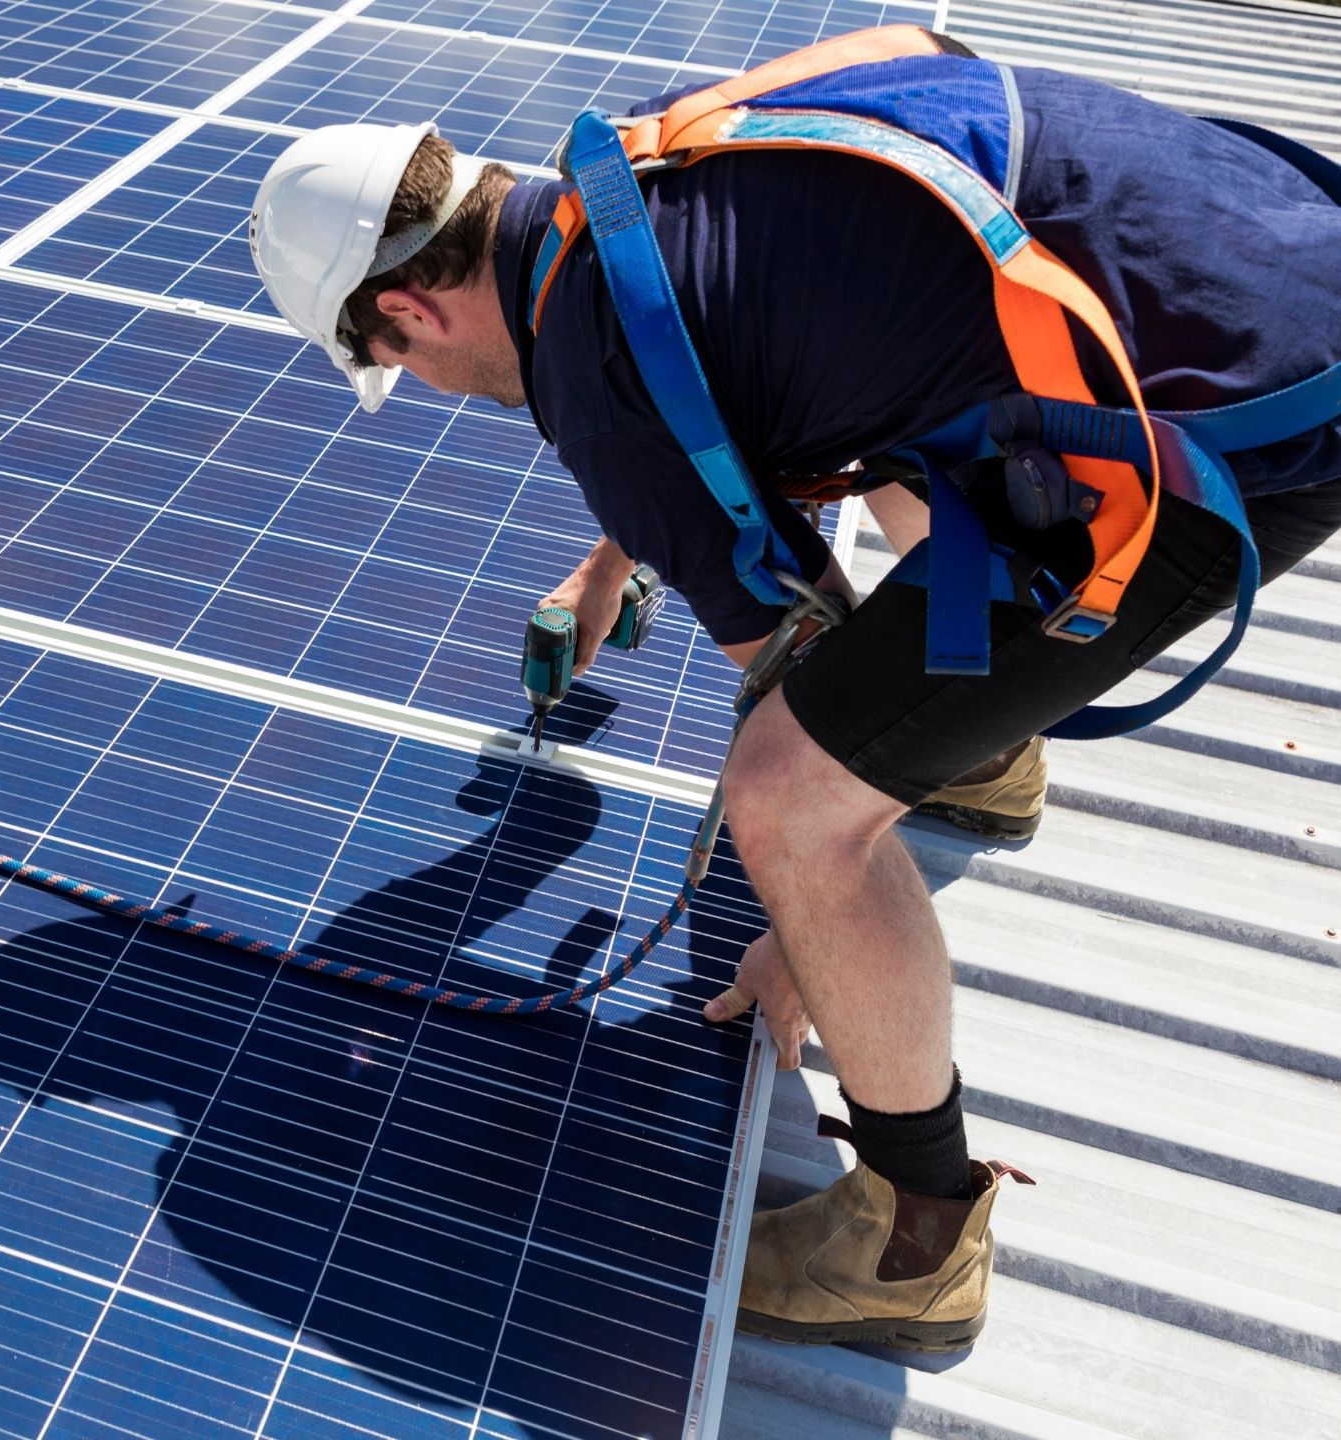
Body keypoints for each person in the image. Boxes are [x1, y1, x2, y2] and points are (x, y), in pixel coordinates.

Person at [245, 26, 1341, 1352]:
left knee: (789, 805)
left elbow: (788, 654)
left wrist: (804, 917)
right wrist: (624, 552)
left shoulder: (601, 389)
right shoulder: (646, 166)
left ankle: (914, 1237)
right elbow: (721, 373)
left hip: (1250, 422)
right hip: (1276, 246)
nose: (420, 385)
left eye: (396, 364)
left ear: (409, 307)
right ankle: (972, 751)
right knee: (875, 422)